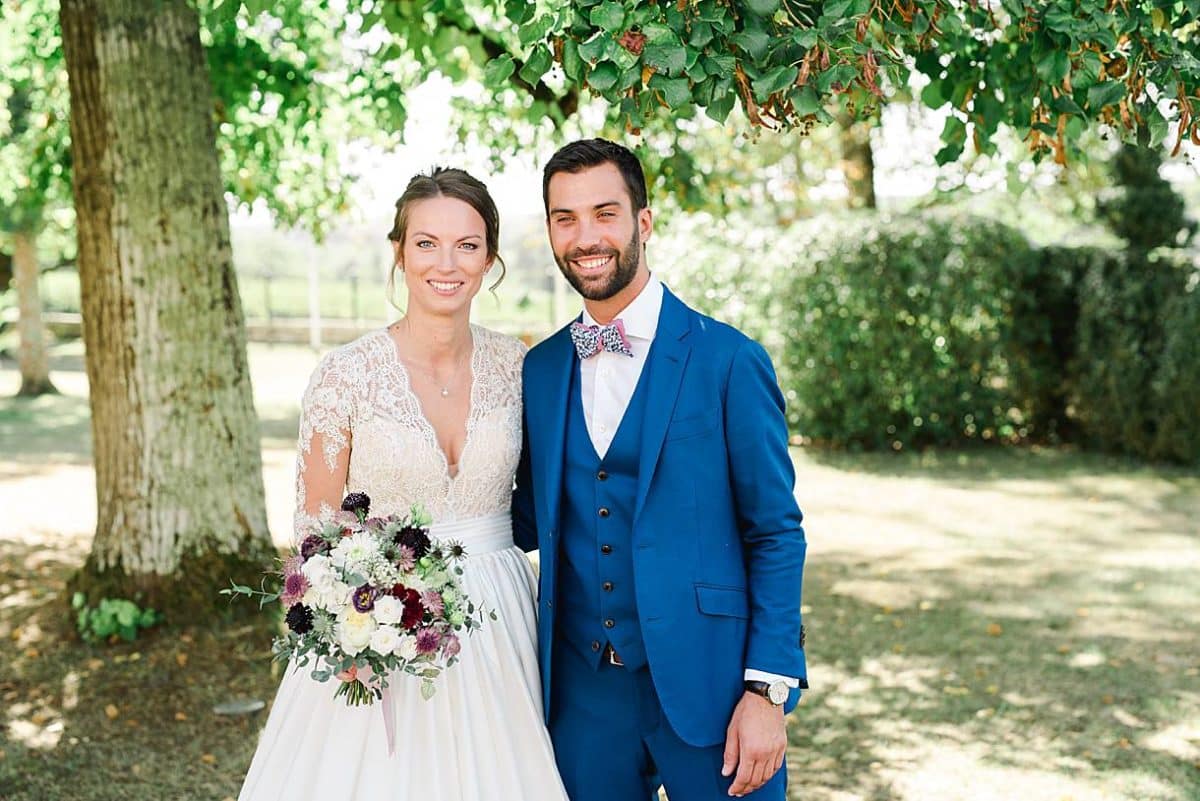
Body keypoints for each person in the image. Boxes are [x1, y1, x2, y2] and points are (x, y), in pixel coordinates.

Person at [239, 167, 569, 801]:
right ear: (399, 252)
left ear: (490, 259)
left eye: (468, 245)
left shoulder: (522, 367)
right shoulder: (344, 376)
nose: (446, 262)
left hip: (502, 615)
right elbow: (314, 534)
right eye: (426, 242)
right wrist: (346, 625)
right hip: (380, 618)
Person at [514, 139, 808, 801]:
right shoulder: (542, 369)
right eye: (565, 218)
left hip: (716, 687)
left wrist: (768, 688)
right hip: (583, 700)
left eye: (604, 213)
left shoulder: (730, 360)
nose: (586, 236)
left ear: (643, 223)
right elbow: (523, 517)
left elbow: (776, 533)